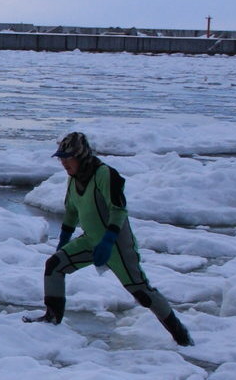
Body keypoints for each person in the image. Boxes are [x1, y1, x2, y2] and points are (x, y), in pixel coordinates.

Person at [29, 131, 193, 346]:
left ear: (80, 156)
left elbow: (118, 210)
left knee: (142, 292)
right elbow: (71, 212)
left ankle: (181, 336)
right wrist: (64, 240)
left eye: (67, 158)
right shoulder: (73, 179)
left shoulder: (105, 174)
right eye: (61, 158)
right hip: (91, 240)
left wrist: (108, 240)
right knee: (54, 265)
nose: (64, 163)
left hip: (116, 245)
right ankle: (52, 319)